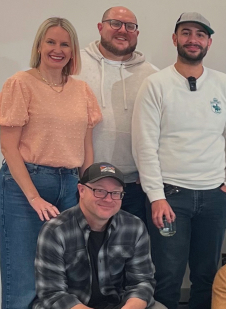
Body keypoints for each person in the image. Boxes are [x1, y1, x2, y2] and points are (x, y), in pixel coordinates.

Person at [0, 17, 101, 309]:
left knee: (76, 277)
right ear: (40, 45)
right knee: (24, 284)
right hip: (24, 187)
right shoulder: (20, 84)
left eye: (65, 44)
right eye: (51, 42)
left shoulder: (82, 90)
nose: (58, 50)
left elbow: (87, 147)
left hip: (71, 184)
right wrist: (34, 197)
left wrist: (86, 187)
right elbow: (9, 146)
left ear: (73, 51)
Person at [132, 12, 226, 309]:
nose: (193, 39)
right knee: (166, 275)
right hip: (172, 198)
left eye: (200, 34)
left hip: (214, 196)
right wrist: (156, 196)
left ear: (209, 42)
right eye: (186, 33)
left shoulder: (224, 85)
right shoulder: (156, 85)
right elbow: (144, 146)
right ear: (175, 39)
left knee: (206, 275)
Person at [30, 163, 172, 309]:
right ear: (81, 190)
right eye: (99, 190)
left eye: (115, 193)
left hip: (114, 307)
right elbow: (53, 295)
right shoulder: (55, 230)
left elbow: (143, 282)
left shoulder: (133, 226)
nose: (108, 198)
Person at [77, 6, 158, 227]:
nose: (123, 30)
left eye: (130, 26)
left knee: (129, 255)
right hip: (84, 182)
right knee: (83, 255)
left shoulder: (153, 76)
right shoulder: (74, 65)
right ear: (100, 27)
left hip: (132, 186)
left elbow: (162, 128)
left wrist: (152, 168)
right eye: (115, 23)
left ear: (137, 33)